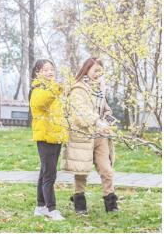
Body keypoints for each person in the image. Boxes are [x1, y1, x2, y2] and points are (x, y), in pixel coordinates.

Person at [61, 57, 119, 214]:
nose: (97, 74)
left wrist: (107, 119)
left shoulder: (99, 89)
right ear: (86, 69)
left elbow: (105, 109)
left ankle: (111, 202)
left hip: (100, 136)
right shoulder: (78, 89)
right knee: (82, 171)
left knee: (106, 169)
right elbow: (80, 112)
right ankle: (79, 203)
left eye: (100, 71)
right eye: (95, 70)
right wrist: (97, 122)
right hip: (83, 136)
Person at [29, 59, 68, 221]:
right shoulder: (38, 89)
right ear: (38, 73)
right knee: (49, 174)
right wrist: (56, 87)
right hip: (45, 137)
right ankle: (51, 209)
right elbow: (42, 101)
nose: (50, 72)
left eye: (51, 69)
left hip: (55, 136)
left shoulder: (51, 89)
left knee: (45, 172)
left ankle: (40, 206)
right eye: (45, 70)